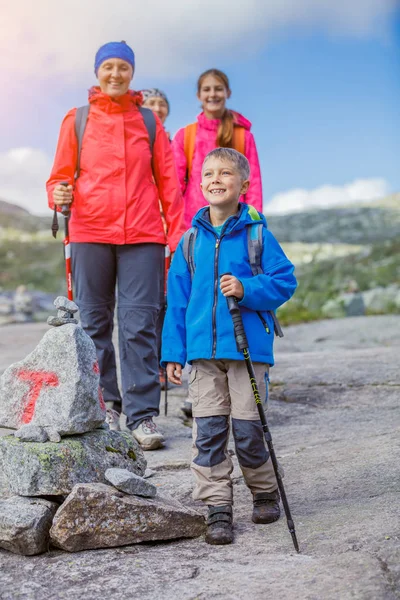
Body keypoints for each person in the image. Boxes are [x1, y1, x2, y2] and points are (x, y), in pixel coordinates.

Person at [46, 41, 184, 450]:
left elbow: (169, 185)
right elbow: (58, 177)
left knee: (140, 324)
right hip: (89, 232)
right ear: (97, 72)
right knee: (93, 324)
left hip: (143, 233)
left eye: (123, 67)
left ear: (132, 73)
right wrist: (58, 194)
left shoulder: (149, 122)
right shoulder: (78, 119)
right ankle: (106, 405)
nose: (115, 74)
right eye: (108, 66)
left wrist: (176, 237)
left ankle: (142, 417)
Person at [162, 148, 296, 545]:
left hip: (246, 352)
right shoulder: (188, 243)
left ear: (244, 184)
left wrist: (247, 288)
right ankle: (217, 505)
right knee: (209, 432)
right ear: (199, 184)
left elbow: (284, 281)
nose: (215, 179)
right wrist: (173, 351)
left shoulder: (257, 235)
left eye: (225, 173)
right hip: (203, 357)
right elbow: (178, 303)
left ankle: (264, 491)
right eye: (208, 173)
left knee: (249, 430)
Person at [172, 69, 263, 229]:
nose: (212, 94)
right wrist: (176, 232)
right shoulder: (185, 136)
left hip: (235, 227)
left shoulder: (243, 137)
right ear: (198, 95)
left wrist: (254, 226)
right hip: (193, 227)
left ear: (228, 92)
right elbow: (175, 188)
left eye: (218, 89)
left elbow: (253, 185)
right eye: (206, 89)